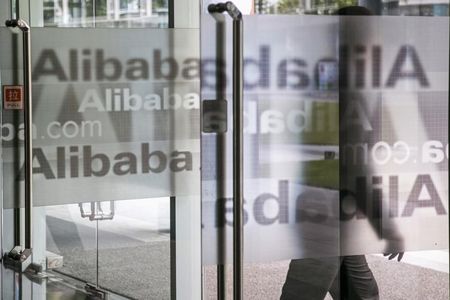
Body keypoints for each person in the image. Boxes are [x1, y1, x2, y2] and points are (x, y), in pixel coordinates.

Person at [280, 5, 404, 300]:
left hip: (332, 205)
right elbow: (353, 165)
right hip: (326, 208)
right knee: (303, 293)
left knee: (362, 291)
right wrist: (388, 228)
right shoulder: (346, 84)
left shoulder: (328, 74)